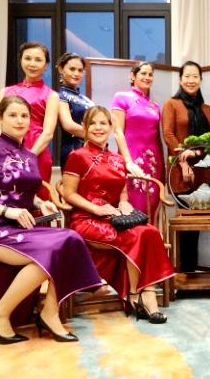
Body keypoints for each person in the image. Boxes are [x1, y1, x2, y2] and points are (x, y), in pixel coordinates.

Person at [0, 95, 102, 344]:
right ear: (0, 118)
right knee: (49, 252)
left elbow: (23, 194)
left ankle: (50, 312)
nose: (19, 121)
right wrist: (5, 211)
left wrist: (41, 203)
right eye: (12, 115)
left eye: (24, 116)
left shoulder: (30, 156)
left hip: (20, 227)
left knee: (71, 239)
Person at [63, 106, 174, 324]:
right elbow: (68, 193)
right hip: (87, 219)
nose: (98, 128)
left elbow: (122, 191)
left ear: (111, 127)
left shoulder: (117, 159)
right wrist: (95, 209)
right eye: (93, 123)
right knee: (137, 235)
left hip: (114, 217)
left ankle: (141, 293)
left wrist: (124, 202)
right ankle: (140, 296)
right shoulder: (77, 156)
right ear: (85, 128)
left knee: (150, 232)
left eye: (103, 123)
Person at [161, 61, 210, 272]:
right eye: (187, 76)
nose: (191, 80)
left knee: (197, 222)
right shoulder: (171, 104)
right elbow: (168, 134)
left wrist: (196, 152)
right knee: (184, 221)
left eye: (195, 76)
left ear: (200, 80)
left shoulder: (207, 109)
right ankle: (181, 270)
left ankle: (190, 269)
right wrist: (183, 158)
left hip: (202, 171)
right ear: (180, 79)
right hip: (180, 171)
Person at [0, 42, 59, 200]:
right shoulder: (6, 92)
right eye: (28, 58)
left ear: (46, 65)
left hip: (37, 153)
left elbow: (48, 133)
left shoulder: (51, 95)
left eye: (38, 60)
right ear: (20, 60)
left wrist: (28, 157)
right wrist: (1, 150)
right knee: (6, 197)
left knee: (38, 200)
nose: (32, 64)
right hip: (7, 153)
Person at [110, 61, 165, 216]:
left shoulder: (155, 106)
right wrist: (127, 161)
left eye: (150, 74)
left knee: (151, 207)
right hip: (131, 158)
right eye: (143, 73)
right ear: (132, 76)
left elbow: (157, 137)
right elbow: (117, 131)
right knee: (131, 206)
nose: (147, 77)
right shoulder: (121, 97)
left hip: (153, 162)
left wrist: (163, 167)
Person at [55, 52, 95, 170]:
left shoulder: (85, 99)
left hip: (92, 148)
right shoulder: (59, 96)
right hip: (73, 150)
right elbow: (68, 125)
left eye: (80, 70)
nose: (76, 73)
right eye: (72, 69)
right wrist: (96, 134)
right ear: (61, 69)